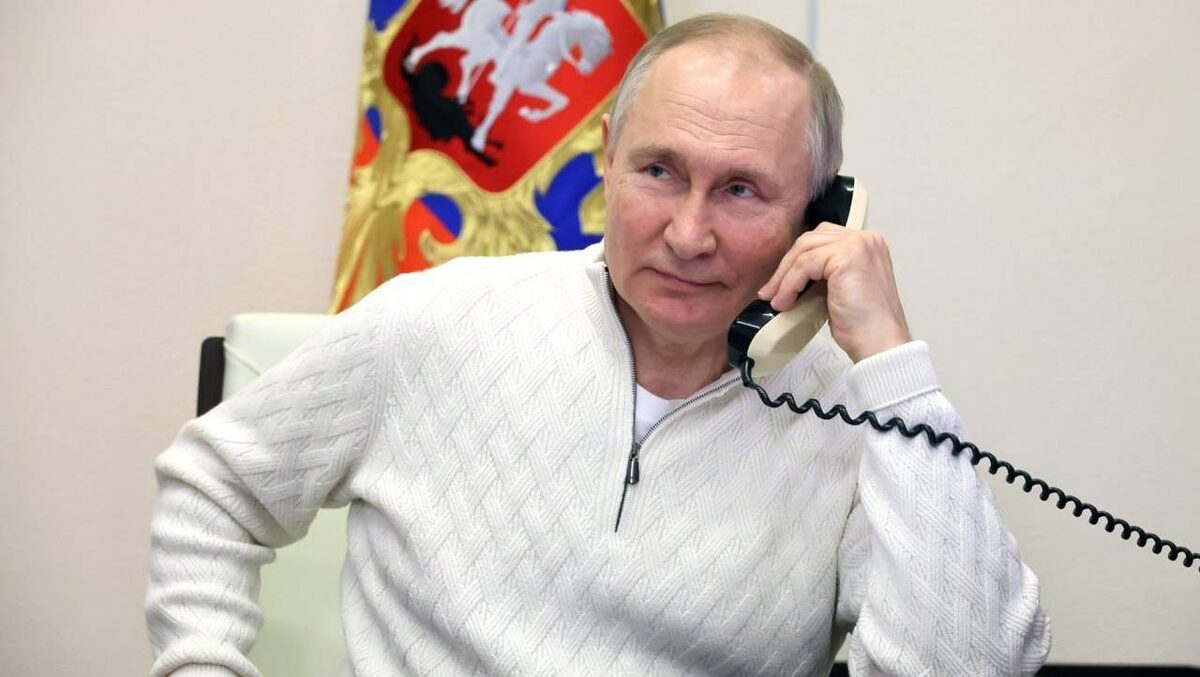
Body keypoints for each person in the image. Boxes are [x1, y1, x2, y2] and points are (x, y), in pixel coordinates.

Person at [147, 13, 1050, 677]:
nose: (688, 234)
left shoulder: (859, 411)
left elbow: (971, 664)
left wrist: (891, 363)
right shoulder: (438, 318)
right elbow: (214, 485)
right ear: (608, 156)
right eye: (659, 171)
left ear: (820, 214)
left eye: (741, 191)